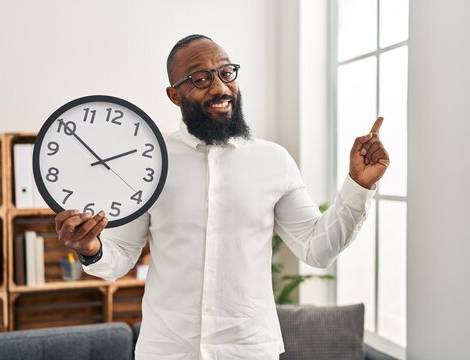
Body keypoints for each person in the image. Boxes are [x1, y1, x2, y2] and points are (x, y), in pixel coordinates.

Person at [55, 34, 389, 360]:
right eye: (200, 79)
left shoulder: (274, 161)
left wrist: (358, 186)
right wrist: (91, 249)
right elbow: (121, 257)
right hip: (168, 350)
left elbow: (318, 249)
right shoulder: (150, 161)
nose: (220, 87)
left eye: (226, 73)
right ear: (174, 95)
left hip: (250, 349)